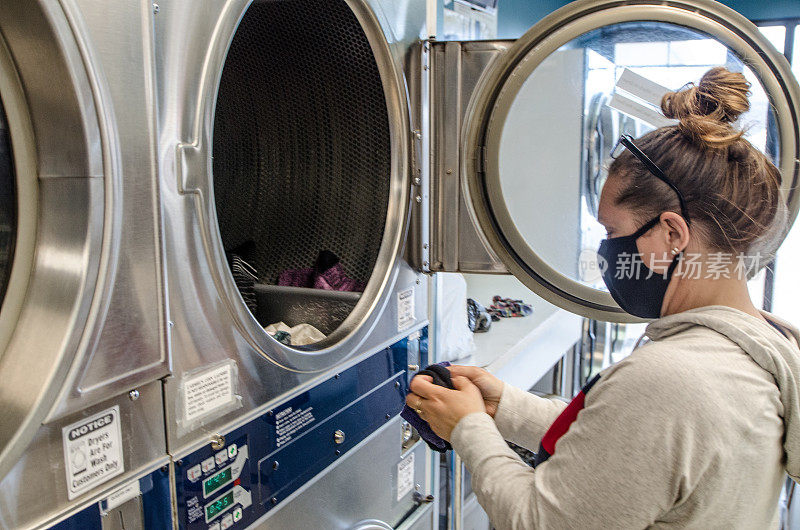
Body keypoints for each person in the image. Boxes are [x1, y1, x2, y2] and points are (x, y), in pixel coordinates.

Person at [406, 67, 800, 528]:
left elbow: (539, 521)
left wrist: (468, 429)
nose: (607, 250)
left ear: (671, 233)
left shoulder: (671, 380)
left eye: (613, 232)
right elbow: (629, 447)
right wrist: (507, 409)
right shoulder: (759, 344)